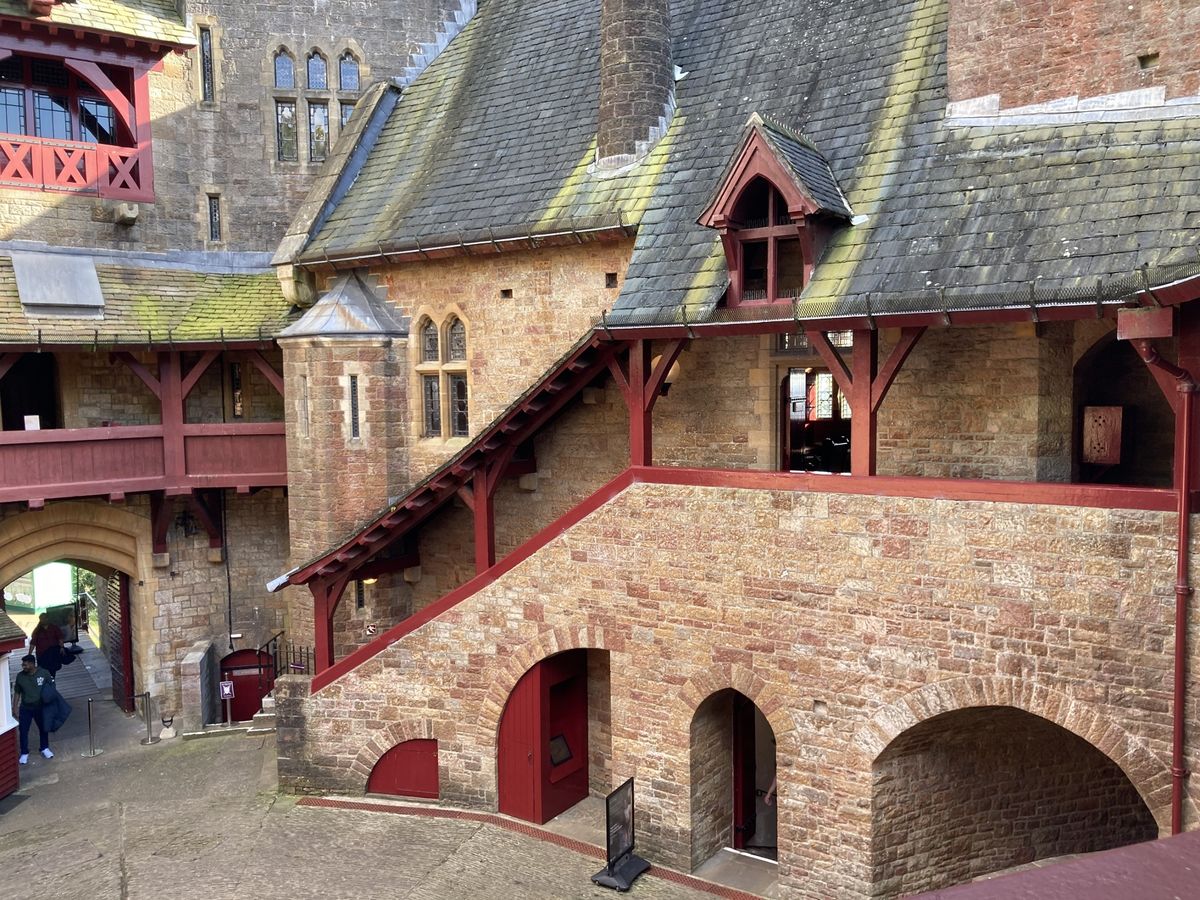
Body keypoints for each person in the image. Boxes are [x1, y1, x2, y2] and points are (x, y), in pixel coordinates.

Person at [12, 654, 53, 764]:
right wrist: (14, 707)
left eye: (25, 664)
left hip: (40, 707)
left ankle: (44, 748)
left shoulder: (44, 673)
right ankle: (24, 752)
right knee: (23, 730)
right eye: (22, 664)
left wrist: (50, 704)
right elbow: (17, 692)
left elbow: (51, 688)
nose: (23, 666)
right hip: (26, 708)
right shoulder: (20, 676)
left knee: (44, 728)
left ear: (31, 664)